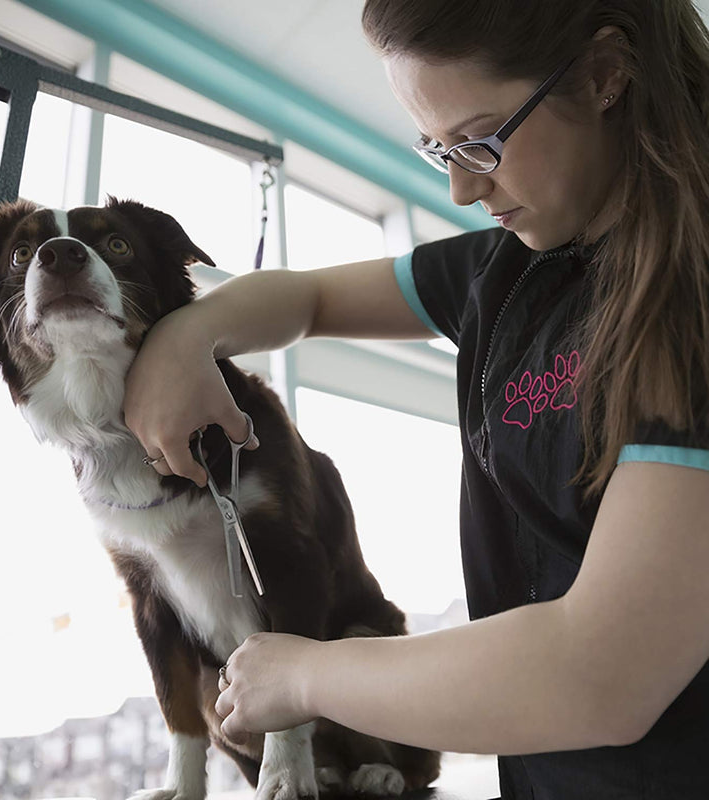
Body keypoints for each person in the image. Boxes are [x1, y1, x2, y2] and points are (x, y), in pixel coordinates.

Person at [122, 0, 709, 796]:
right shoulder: (505, 273)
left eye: (480, 140)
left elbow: (603, 674)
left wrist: (308, 677)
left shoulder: (690, 300)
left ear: (606, 76)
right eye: (439, 150)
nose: (464, 188)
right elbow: (309, 299)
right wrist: (189, 339)